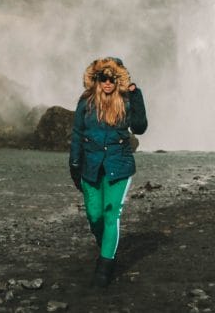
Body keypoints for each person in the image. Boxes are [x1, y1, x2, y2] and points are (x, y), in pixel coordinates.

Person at [68, 56, 148, 288]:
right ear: (96, 79)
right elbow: (77, 134)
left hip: (118, 166)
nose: (107, 82)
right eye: (103, 78)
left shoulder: (126, 101)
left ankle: (104, 268)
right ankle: (106, 247)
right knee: (95, 216)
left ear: (118, 80)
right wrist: (74, 165)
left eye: (112, 79)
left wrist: (136, 94)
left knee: (111, 214)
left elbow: (140, 127)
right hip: (91, 167)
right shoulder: (86, 102)